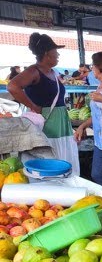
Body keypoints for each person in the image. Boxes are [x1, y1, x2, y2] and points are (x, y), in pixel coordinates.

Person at [7, 33, 80, 177]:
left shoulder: (52, 72)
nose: (58, 54)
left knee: (60, 156)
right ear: (47, 53)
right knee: (48, 156)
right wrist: (33, 106)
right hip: (46, 123)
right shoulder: (33, 71)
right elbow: (13, 86)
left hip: (59, 124)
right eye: (56, 51)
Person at [74, 52, 102, 194]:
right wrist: (83, 126)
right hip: (100, 139)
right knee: (98, 174)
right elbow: (98, 114)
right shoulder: (100, 86)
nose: (92, 68)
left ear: (100, 67)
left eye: (93, 65)